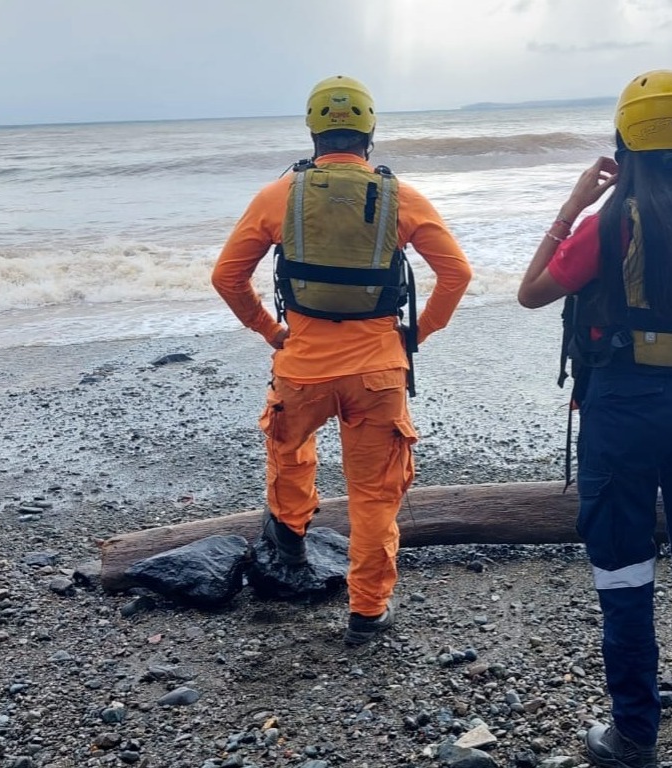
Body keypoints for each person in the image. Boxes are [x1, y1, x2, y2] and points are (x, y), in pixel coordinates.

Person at [517, 70, 672, 766]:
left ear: (628, 136)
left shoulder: (611, 221)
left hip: (623, 409)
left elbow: (532, 293)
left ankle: (635, 735)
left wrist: (570, 207)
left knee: (623, 571)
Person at [212, 75, 472, 646]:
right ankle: (367, 613)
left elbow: (226, 277)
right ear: (369, 132)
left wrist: (269, 330)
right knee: (374, 496)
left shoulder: (279, 195)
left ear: (313, 132)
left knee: (288, 450)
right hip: (379, 372)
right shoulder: (401, 195)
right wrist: (416, 335)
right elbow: (457, 275)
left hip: (301, 367)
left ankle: (291, 543)